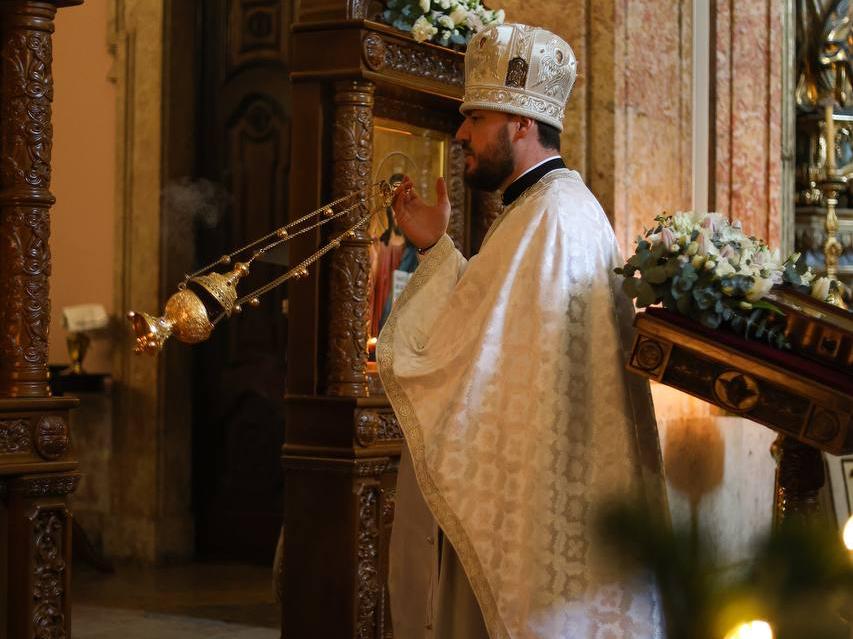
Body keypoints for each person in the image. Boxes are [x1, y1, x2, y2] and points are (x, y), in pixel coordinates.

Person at [378, 23, 665, 639]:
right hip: (548, 494)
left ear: (519, 125)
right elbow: (495, 338)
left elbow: (463, 358)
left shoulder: (549, 219)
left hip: (535, 502)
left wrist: (434, 260)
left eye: (475, 118)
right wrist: (435, 248)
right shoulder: (552, 209)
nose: (460, 134)